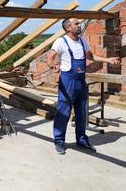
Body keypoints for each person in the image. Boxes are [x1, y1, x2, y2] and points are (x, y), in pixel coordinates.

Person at [47, 18, 120, 154]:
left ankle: (81, 139)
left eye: (79, 23)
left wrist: (107, 59)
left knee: (81, 113)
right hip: (67, 81)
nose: (79, 25)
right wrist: (54, 66)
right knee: (64, 112)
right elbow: (50, 57)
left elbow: (91, 56)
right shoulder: (61, 42)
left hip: (81, 81)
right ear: (68, 28)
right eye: (76, 24)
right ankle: (59, 140)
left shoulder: (82, 41)